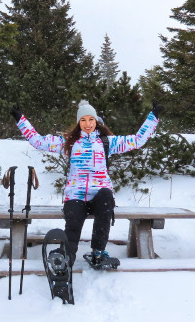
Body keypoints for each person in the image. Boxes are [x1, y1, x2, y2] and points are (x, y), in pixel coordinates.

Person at [10, 99, 163, 268]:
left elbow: (137, 140)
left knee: (106, 197)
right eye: (83, 120)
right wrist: (20, 119)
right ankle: (66, 257)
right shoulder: (69, 142)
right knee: (73, 221)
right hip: (76, 194)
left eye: (91, 119)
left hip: (100, 195)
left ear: (96, 121)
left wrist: (153, 116)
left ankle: (98, 253)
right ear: (78, 123)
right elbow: (38, 141)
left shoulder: (107, 142)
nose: (87, 124)